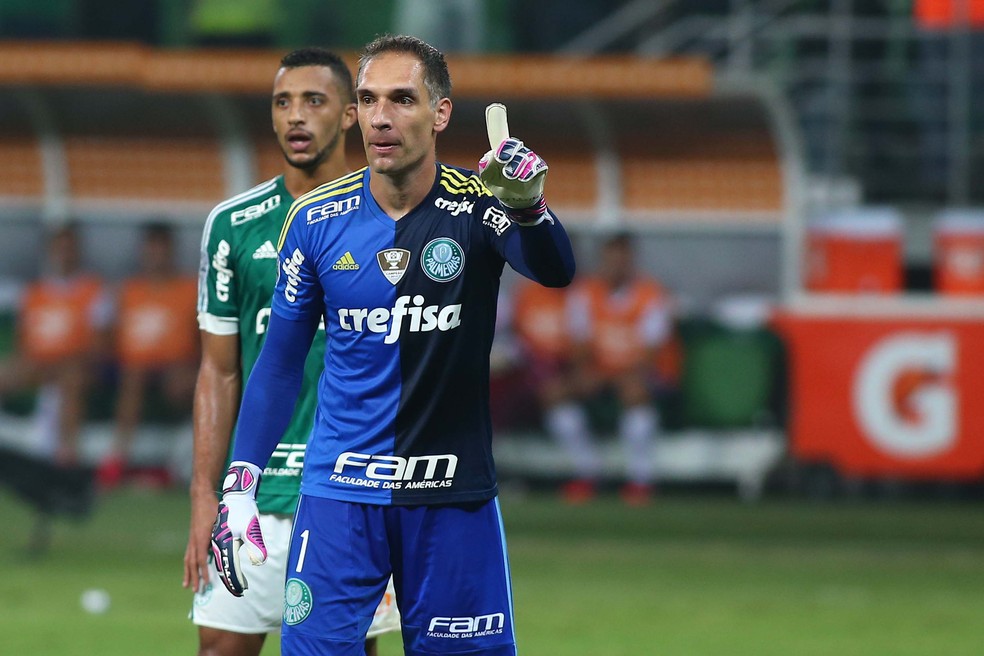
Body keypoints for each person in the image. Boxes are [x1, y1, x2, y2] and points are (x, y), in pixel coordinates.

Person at [208, 34, 575, 656]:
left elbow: (556, 269)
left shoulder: (481, 207)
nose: (381, 117)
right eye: (370, 99)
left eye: (403, 100)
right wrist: (240, 486)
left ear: (440, 113)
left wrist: (533, 209)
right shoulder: (316, 222)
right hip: (339, 497)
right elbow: (277, 364)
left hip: (451, 494)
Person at [182, 48, 400, 656]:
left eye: (313, 101)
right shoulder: (234, 224)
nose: (295, 117)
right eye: (282, 102)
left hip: (353, 489)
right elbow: (218, 372)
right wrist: (205, 499)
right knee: (221, 648)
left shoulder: (392, 218)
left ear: (352, 115)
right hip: (254, 492)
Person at [545, 232, 674, 506]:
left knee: (635, 393)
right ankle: (587, 469)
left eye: (622, 259)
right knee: (554, 393)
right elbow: (579, 345)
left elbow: (650, 354)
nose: (616, 265)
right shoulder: (585, 292)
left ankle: (640, 478)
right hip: (599, 369)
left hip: (638, 374)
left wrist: (617, 375)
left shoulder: (650, 294)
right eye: (610, 258)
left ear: (631, 261)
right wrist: (585, 373)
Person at [0, 222, 112, 465]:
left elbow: (100, 346)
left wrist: (63, 362)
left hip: (79, 366)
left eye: (69, 248)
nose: (65, 254)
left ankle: (66, 457)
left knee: (69, 378)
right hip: (37, 364)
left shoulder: (93, 290)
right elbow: (22, 344)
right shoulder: (34, 292)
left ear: (78, 251)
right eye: (59, 248)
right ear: (50, 251)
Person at [98, 222, 198, 489]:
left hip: (177, 367)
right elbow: (107, 336)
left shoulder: (190, 289)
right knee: (134, 376)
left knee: (186, 383)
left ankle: (183, 464)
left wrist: (192, 364)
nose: (156, 256)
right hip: (131, 367)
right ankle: (117, 459)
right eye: (151, 249)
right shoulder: (126, 290)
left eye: (161, 250)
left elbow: (204, 337)